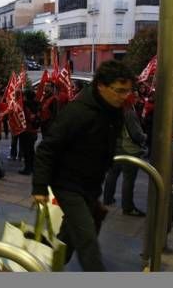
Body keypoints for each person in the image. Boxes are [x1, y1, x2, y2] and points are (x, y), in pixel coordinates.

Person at [32, 59, 134, 271]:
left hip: (90, 184)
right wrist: (39, 187)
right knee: (87, 239)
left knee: (70, 236)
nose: (124, 96)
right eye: (119, 90)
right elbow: (46, 148)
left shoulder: (114, 110)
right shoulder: (77, 112)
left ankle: (46, 265)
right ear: (101, 86)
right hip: (67, 184)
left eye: (127, 91)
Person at [103, 98, 148, 217]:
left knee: (112, 174)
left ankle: (107, 199)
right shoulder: (129, 113)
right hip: (129, 150)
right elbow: (136, 134)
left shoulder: (112, 109)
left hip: (115, 147)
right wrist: (145, 137)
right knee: (129, 179)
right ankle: (128, 207)